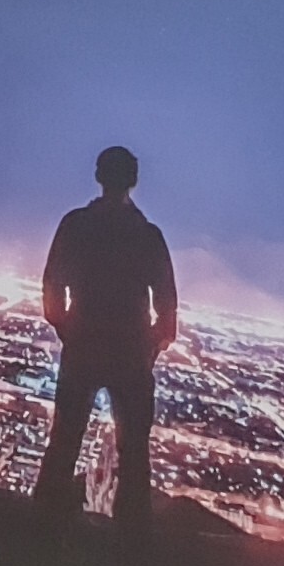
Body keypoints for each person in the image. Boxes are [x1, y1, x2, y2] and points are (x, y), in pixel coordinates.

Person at [35, 145, 179, 526]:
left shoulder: (75, 225)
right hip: (130, 351)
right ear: (133, 180)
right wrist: (148, 347)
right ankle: (132, 535)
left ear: (99, 176)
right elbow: (167, 307)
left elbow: (52, 284)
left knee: (64, 439)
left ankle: (42, 525)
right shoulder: (148, 235)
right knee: (134, 454)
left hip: (83, 342)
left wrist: (67, 328)